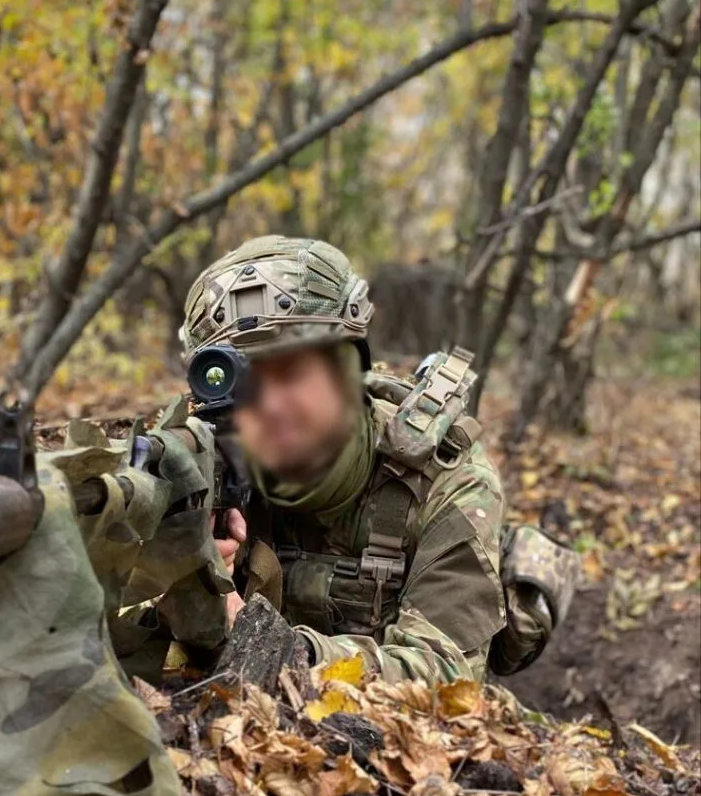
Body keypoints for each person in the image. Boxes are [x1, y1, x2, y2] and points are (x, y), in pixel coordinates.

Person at [179, 235, 530, 685]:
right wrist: (178, 575)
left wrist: (274, 649)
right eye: (242, 382)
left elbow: (447, 677)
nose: (268, 404)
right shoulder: (206, 454)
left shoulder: (442, 475)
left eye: (292, 371)